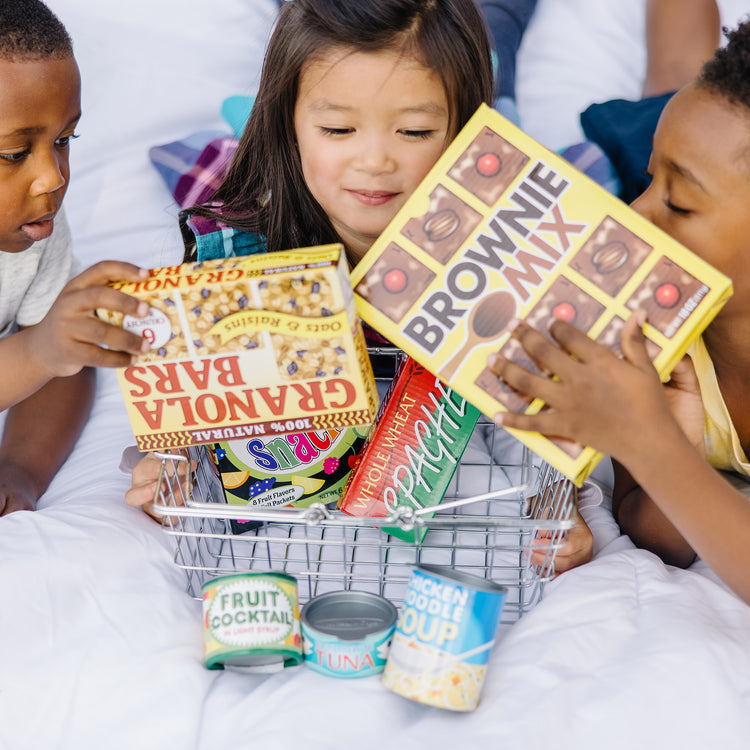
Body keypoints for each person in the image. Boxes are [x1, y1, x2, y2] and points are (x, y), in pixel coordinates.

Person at [126, 0, 496, 517]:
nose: (374, 161)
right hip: (270, 201)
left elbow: (552, 435)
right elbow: (186, 419)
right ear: (288, 124)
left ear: (464, 132)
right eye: (338, 130)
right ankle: (229, 135)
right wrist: (168, 470)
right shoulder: (231, 257)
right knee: (208, 170)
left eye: (413, 132)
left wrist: (563, 507)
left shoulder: (506, 261)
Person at [489, 18, 750, 589]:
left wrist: (650, 441)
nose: (634, 215)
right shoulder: (643, 325)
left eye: (676, 204)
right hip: (676, 140)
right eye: (649, 185)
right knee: (676, 83)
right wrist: (668, 437)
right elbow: (653, 532)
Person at [0, 0, 149, 515]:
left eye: (64, 140)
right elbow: (44, 353)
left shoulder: (34, 224)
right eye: (13, 154)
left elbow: (65, 365)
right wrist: (40, 350)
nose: (53, 178)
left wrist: (20, 468)